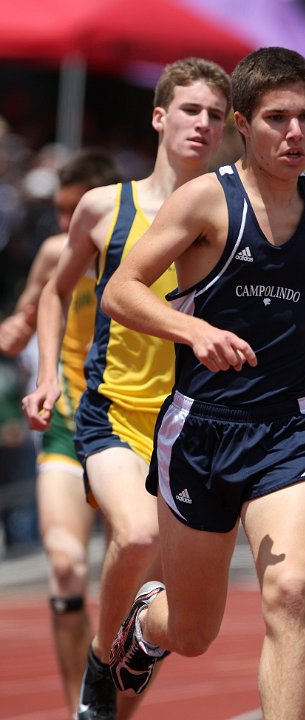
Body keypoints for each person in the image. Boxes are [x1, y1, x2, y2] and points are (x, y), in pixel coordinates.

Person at [102, 47, 305, 720]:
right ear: (242, 122)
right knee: (194, 634)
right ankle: (147, 624)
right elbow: (121, 291)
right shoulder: (206, 201)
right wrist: (192, 333)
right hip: (201, 432)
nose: (295, 134)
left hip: (284, 434)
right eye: (276, 119)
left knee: (289, 590)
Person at [21, 57, 231, 720]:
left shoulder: (233, 213)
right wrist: (49, 372)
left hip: (193, 429)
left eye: (216, 116)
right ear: (158, 115)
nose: (202, 124)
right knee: (135, 539)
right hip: (113, 413)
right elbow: (56, 293)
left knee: (174, 614)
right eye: (191, 110)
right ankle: (97, 666)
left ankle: (108, 695)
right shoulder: (102, 207)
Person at [0, 148, 122, 718]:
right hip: (69, 424)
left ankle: (110, 700)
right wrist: (16, 326)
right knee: (67, 565)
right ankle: (81, 705)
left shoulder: (146, 247)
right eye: (58, 211)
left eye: (75, 211)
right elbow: (27, 311)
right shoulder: (55, 254)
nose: (64, 223)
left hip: (133, 431)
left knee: (138, 594)